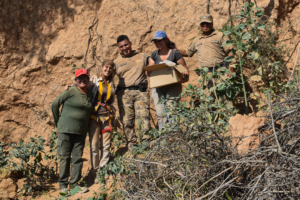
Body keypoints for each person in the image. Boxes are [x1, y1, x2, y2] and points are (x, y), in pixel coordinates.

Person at [52, 68, 92, 195]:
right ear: (75, 80)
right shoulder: (70, 91)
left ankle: (74, 184)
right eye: (79, 78)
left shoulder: (90, 93)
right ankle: (63, 184)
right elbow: (54, 104)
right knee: (64, 157)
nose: (82, 80)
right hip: (65, 130)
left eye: (85, 78)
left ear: (88, 79)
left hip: (80, 131)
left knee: (77, 158)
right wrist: (58, 123)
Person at [147, 31, 189, 131]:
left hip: (173, 86)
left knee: (171, 112)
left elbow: (184, 69)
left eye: (160, 40)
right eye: (155, 42)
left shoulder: (175, 53)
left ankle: (174, 137)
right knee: (161, 114)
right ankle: (164, 140)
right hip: (158, 88)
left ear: (165, 40)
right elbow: (149, 70)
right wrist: (150, 72)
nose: (158, 43)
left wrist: (183, 77)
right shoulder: (154, 54)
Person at [114, 35, 150, 149]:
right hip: (124, 94)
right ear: (119, 48)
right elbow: (106, 76)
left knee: (143, 119)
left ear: (130, 43)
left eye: (126, 45)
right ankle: (131, 145)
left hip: (141, 92)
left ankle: (145, 144)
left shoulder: (143, 56)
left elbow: (158, 60)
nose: (124, 48)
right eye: (121, 46)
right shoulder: (116, 62)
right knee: (127, 121)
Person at [88, 60, 116, 176]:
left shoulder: (111, 83)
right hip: (94, 116)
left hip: (107, 116)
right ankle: (95, 170)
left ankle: (103, 169)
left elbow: (112, 100)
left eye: (110, 68)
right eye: (106, 67)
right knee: (94, 145)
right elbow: (83, 86)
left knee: (106, 145)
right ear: (102, 67)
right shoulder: (94, 79)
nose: (108, 69)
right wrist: (72, 87)